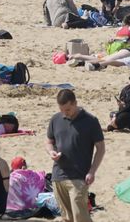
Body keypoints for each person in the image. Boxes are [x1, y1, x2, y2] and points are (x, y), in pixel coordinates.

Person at [46, 89, 105, 222]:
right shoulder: (56, 119)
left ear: (75, 103)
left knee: (80, 217)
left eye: (67, 109)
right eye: (61, 109)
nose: (64, 113)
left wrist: (92, 171)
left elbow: (100, 148)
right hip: (58, 175)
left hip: (79, 177)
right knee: (66, 218)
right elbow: (49, 141)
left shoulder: (91, 121)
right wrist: (51, 152)